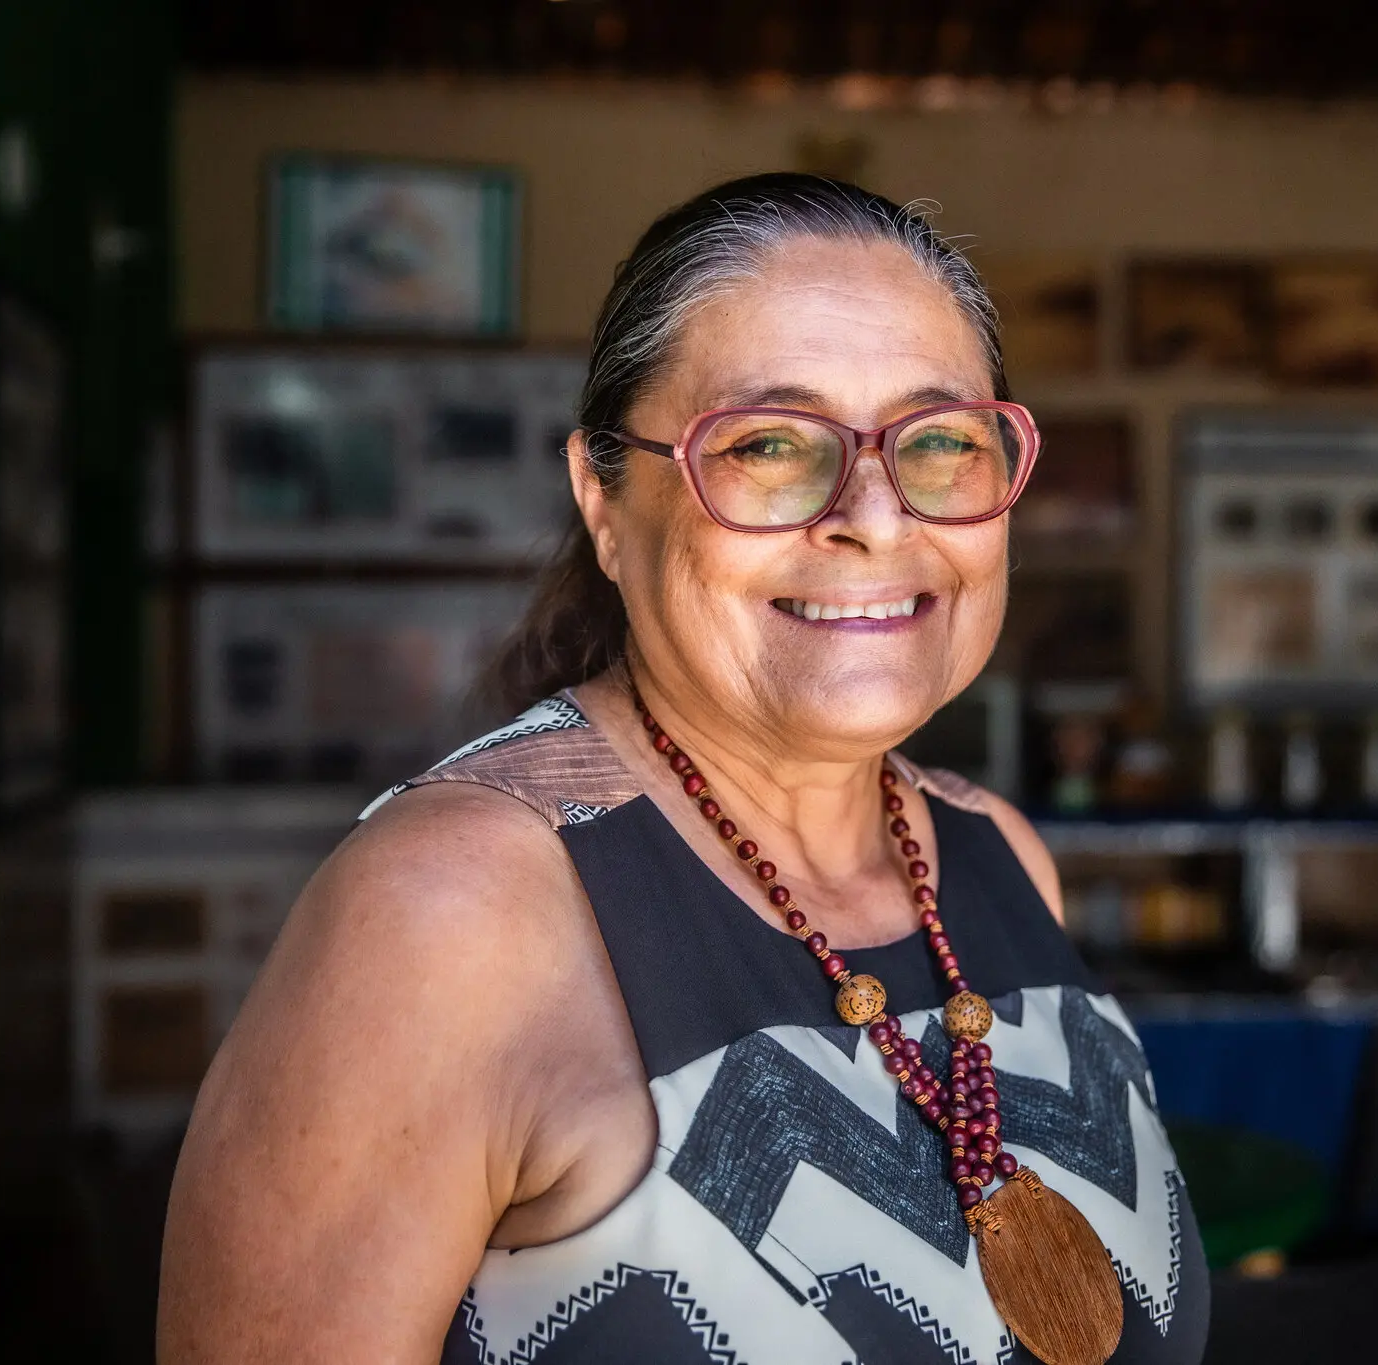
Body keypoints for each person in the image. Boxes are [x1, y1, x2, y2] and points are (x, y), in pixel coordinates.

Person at [159, 173, 1208, 1365]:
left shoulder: (995, 856)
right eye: (767, 443)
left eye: (939, 442)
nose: (875, 515)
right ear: (603, 502)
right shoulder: (446, 917)